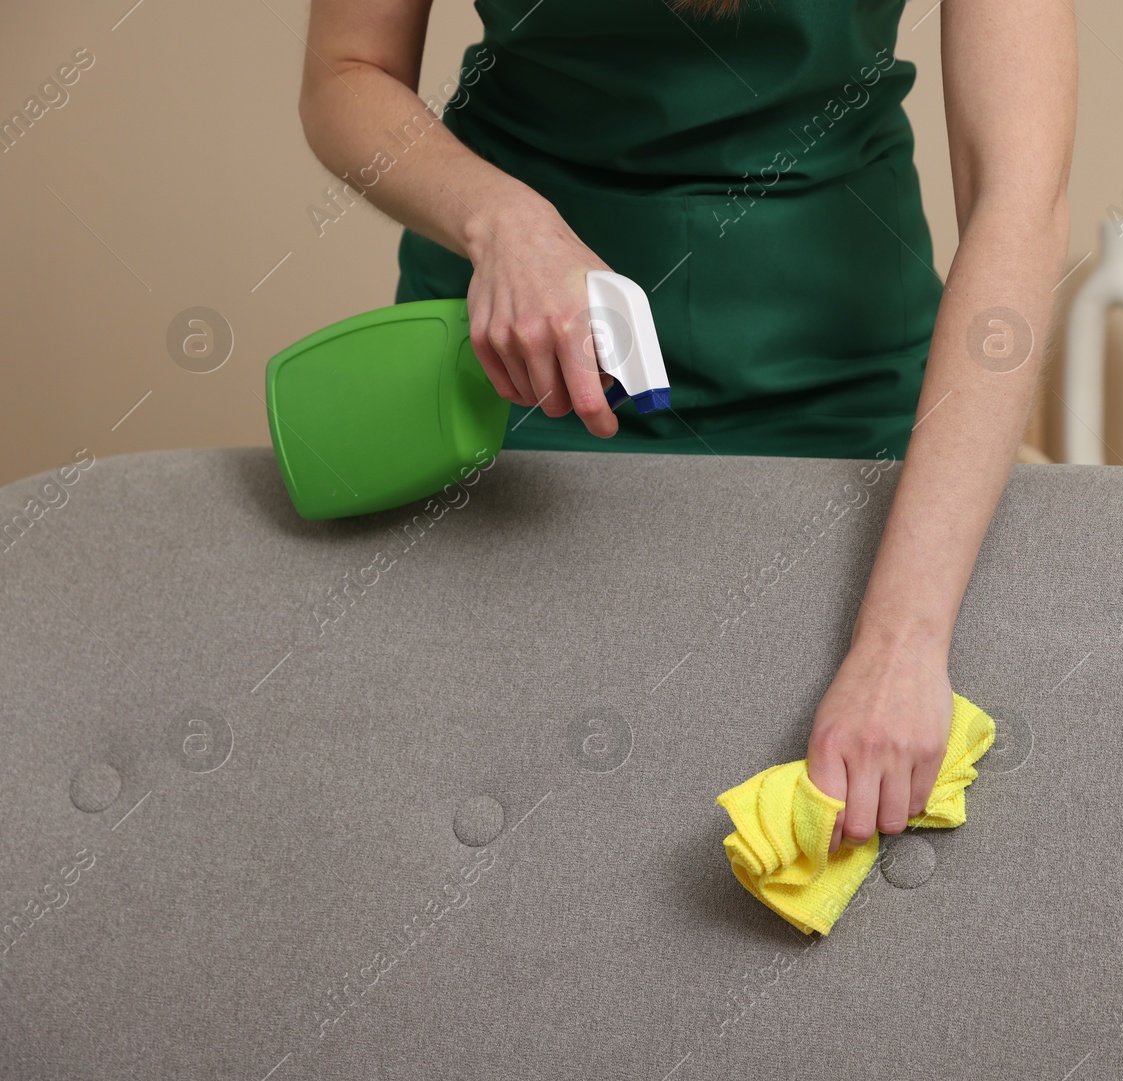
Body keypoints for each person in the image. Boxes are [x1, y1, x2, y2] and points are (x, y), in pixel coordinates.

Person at [300, 0, 1076, 855]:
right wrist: (502, 223)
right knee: (501, 812)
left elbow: (1018, 197)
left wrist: (905, 639)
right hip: (520, 356)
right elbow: (348, 73)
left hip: (837, 373)